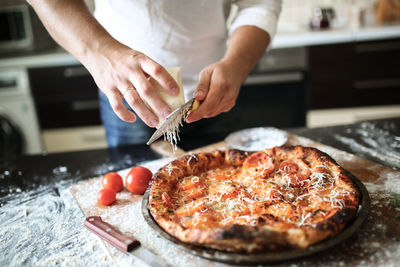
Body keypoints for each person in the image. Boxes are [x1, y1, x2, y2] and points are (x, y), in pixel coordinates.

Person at [30, 0, 282, 146]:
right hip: (128, 93)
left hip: (217, 93)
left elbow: (260, 3)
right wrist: (102, 53)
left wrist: (236, 64)